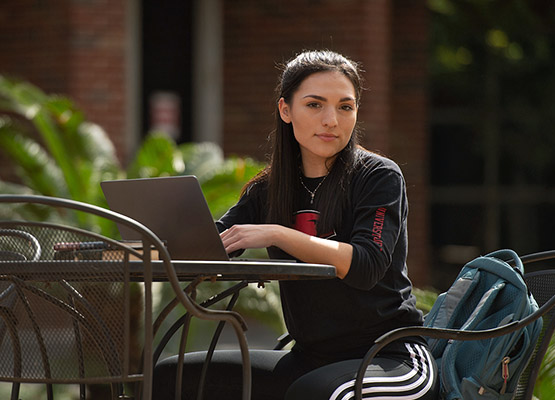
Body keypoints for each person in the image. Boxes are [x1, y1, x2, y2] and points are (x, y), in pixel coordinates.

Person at [153, 50, 439, 400]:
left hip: (390, 356)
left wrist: (276, 233)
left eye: (345, 107)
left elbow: (366, 266)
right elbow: (215, 243)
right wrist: (141, 243)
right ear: (285, 110)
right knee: (172, 376)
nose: (331, 120)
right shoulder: (268, 189)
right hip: (310, 359)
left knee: (313, 393)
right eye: (315, 105)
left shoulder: (378, 177)